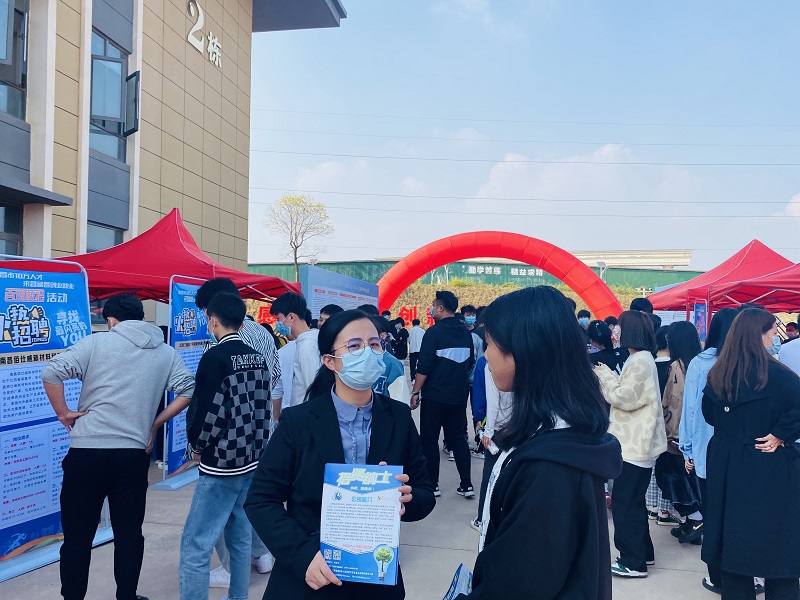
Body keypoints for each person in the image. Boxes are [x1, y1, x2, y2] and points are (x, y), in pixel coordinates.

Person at [244, 310, 436, 599]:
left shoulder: (397, 417)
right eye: (355, 345)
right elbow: (261, 499)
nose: (368, 353)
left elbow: (424, 492)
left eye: (374, 344)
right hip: (310, 577)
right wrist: (303, 555)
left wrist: (407, 500)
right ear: (330, 360)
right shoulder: (298, 422)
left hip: (375, 576)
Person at [456, 286, 622, 600]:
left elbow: (517, 584)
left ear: (524, 350)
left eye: (490, 344)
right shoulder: (551, 435)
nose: (486, 355)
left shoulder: (548, 469)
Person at [41, 294, 195, 600]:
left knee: (77, 536)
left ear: (111, 320)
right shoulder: (165, 352)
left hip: (87, 452)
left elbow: (51, 372)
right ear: (141, 317)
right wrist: (154, 424)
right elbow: (188, 389)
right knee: (129, 533)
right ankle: (127, 595)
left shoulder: (95, 343)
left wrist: (64, 413)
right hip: (132, 455)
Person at [702, 308, 800, 600]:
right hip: (768, 465)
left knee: (734, 549)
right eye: (771, 332)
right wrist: (782, 433)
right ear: (758, 335)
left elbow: (709, 415)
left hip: (727, 465)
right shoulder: (778, 375)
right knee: (779, 552)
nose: (774, 338)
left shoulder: (718, 373)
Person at [179, 293, 270, 600]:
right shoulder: (257, 357)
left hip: (221, 464)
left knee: (196, 544)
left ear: (213, 321)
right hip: (251, 459)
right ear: (242, 323)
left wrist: (197, 446)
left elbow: (208, 412)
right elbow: (264, 410)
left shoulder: (215, 358)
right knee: (240, 537)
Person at [196, 278, 278, 582]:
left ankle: (232, 568)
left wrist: (198, 444)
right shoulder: (263, 334)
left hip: (227, 441)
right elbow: (275, 377)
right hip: (260, 432)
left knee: (221, 508)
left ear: (213, 312)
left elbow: (211, 400)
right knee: (253, 499)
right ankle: (262, 555)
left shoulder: (218, 346)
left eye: (205, 312)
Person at [595, 310, 667, 578]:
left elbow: (622, 397)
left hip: (634, 445)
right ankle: (643, 554)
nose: (616, 332)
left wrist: (604, 376)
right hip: (637, 444)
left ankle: (632, 561)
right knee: (633, 502)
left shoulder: (639, 361)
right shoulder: (641, 358)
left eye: (620, 328)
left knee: (625, 503)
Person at [677, 308, 737, 595]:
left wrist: (686, 449)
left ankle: (716, 576)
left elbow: (690, 408)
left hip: (705, 451)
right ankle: (743, 575)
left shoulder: (701, 363)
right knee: (738, 514)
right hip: (742, 455)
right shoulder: (754, 362)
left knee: (712, 514)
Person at [410, 291, 475, 499]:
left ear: (440, 308)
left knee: (429, 440)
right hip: (458, 397)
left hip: (435, 397)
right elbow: (470, 362)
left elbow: (424, 366)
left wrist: (415, 392)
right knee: (458, 439)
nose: (431, 308)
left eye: (433, 305)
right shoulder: (465, 332)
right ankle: (466, 485)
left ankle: (433, 485)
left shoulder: (434, 332)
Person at [656, 321, 703, 543]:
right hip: (697, 432)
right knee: (690, 478)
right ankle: (690, 523)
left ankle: (695, 519)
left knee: (669, 476)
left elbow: (675, 402)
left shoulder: (677, 366)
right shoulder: (699, 362)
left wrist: (673, 435)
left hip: (677, 435)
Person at [270, 292, 321, 408]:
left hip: (306, 412)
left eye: (278, 319)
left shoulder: (307, 346)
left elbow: (313, 388)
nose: (277, 323)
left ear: (291, 317)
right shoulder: (311, 340)